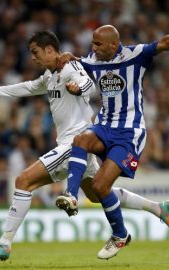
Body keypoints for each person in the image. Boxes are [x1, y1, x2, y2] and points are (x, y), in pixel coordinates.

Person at [0, 29, 169, 262]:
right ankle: (157, 209)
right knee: (99, 192)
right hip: (90, 138)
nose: (33, 58)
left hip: (76, 142)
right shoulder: (52, 74)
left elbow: (87, 83)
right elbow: (28, 87)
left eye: (35, 52)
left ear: (49, 49)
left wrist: (79, 88)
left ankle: (4, 242)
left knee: (23, 181)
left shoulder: (72, 68)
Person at [55, 25, 169, 260]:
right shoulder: (92, 60)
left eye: (98, 44)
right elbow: (79, 65)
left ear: (114, 44)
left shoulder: (137, 54)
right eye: (92, 43)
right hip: (104, 126)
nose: (93, 48)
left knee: (99, 187)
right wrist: (69, 58)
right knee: (80, 140)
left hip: (129, 132)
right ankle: (71, 195)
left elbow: (164, 43)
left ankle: (120, 235)